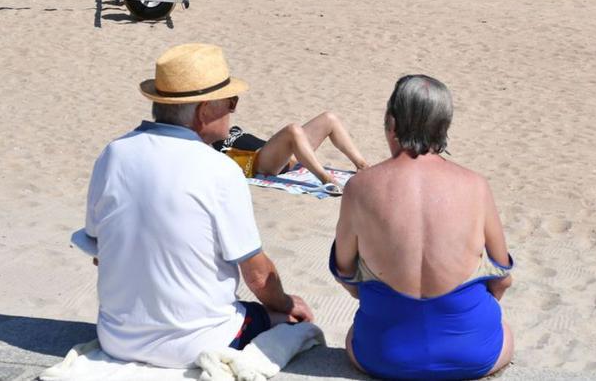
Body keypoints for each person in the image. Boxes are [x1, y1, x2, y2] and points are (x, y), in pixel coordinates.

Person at [85, 43, 315, 368]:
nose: (234, 110)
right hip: (198, 343)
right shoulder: (219, 169)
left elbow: (96, 246)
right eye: (231, 103)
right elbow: (259, 277)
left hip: (118, 338)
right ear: (204, 110)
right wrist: (288, 302)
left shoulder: (113, 154)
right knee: (291, 319)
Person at [332, 75, 514, 380]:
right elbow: (502, 278)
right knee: (503, 331)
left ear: (391, 122)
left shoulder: (359, 188)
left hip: (383, 354)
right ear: (444, 126)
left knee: (356, 334)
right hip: (473, 354)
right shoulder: (475, 186)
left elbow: (345, 274)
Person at [214, 110, 368, 195]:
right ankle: (326, 180)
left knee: (329, 118)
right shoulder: (207, 142)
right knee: (293, 130)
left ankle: (362, 165)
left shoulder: (231, 129)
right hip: (257, 163)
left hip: (280, 156)